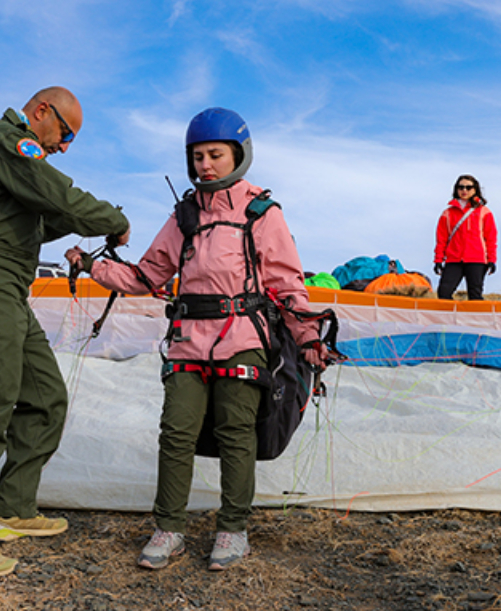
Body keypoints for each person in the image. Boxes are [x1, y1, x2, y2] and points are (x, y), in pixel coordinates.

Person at [65, 108, 327, 571]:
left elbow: (287, 284)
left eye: (215, 155)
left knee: (236, 432)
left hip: (243, 337)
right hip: (188, 339)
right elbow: (147, 275)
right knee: (176, 431)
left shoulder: (261, 213)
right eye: (198, 156)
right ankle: (169, 528)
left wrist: (308, 337)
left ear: (238, 155)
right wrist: (93, 266)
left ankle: (233, 530)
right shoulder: (185, 215)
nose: (205, 165)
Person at [0, 87, 131, 578]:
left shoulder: (15, 166)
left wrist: (87, 224)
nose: (63, 147)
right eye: (65, 134)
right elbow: (54, 191)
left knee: (45, 396)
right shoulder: (4, 141)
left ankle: (11, 509)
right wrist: (113, 218)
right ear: (42, 111)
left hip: (9, 285)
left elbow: (41, 219)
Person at [433, 175, 497, 300]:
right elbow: (441, 239)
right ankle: (452, 313)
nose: (464, 190)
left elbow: (491, 239)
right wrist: (438, 260)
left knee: (475, 295)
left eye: (468, 187)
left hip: (477, 259)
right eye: (461, 187)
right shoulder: (447, 213)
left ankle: (476, 314)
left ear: (475, 189)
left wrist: (491, 260)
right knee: (444, 292)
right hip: (453, 259)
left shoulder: (484, 212)